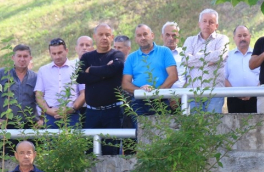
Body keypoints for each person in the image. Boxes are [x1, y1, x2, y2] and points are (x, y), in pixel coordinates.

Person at [76, 23, 125, 155]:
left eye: (107, 35)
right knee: (90, 152)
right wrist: (105, 73)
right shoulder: (87, 57)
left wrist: (91, 70)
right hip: (92, 113)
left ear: (112, 37)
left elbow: (113, 70)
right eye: (101, 34)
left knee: (112, 152)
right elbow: (80, 77)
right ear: (95, 37)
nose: (104, 37)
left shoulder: (118, 54)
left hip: (113, 112)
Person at [122, 24, 177, 118]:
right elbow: (125, 84)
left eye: (145, 34)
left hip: (161, 100)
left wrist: (157, 93)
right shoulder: (131, 57)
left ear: (152, 35)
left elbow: (173, 76)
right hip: (139, 102)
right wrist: (141, 91)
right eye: (139, 35)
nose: (142, 38)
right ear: (136, 39)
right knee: (141, 131)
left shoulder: (164, 51)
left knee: (163, 131)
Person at [183, 8, 229, 113]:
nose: (207, 24)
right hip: (194, 93)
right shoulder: (190, 40)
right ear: (199, 23)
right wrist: (209, 60)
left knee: (213, 126)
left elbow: (219, 55)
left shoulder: (222, 39)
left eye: (211, 22)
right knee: (196, 127)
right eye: (204, 21)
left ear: (216, 26)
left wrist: (196, 57)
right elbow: (186, 60)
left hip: (215, 93)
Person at [35, 38, 85, 128]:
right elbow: (38, 94)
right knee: (51, 141)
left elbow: (84, 93)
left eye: (60, 52)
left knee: (73, 141)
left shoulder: (77, 67)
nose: (57, 56)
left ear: (66, 51)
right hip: (50, 115)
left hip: (72, 115)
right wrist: (48, 111)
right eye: (54, 54)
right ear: (49, 53)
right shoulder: (43, 70)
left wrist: (71, 109)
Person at [0, 44, 40, 128]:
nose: (22, 59)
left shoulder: (35, 77)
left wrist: (41, 119)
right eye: (19, 56)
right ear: (13, 58)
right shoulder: (1, 74)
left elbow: (43, 99)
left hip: (30, 125)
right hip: (6, 126)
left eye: (25, 56)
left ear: (30, 58)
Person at [225, 25, 260, 113]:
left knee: (256, 125)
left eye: (245, 35)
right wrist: (235, 93)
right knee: (235, 126)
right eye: (239, 36)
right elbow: (224, 78)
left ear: (250, 36)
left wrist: (253, 93)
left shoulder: (257, 56)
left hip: (256, 98)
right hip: (234, 99)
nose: (242, 38)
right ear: (234, 38)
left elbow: (263, 76)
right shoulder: (228, 56)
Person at [162, 21, 186, 89]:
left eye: (174, 35)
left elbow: (189, 78)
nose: (171, 38)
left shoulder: (184, 54)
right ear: (162, 36)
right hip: (160, 96)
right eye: (167, 35)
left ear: (178, 37)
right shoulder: (155, 54)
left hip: (182, 96)